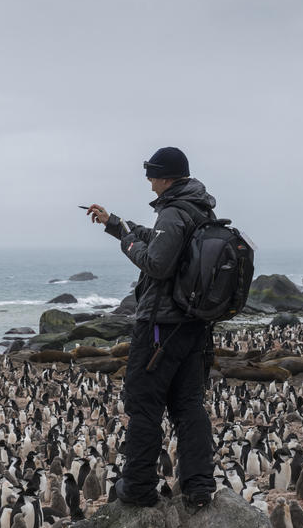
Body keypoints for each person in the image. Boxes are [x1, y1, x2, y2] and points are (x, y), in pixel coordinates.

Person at [84, 146, 216, 509]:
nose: (148, 180)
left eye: (152, 174)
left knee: (143, 404)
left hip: (161, 326)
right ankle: (199, 487)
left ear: (167, 177)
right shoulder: (198, 209)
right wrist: (115, 223)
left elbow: (156, 262)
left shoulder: (174, 213)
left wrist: (127, 242)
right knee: (189, 405)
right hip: (193, 326)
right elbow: (161, 242)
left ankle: (140, 487)